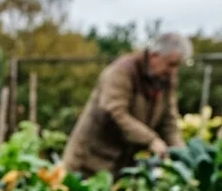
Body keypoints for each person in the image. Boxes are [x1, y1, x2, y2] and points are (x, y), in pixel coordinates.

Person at [62, 32, 192, 177]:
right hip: (90, 160)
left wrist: (181, 153)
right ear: (155, 55)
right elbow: (115, 112)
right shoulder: (121, 72)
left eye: (177, 66)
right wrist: (151, 140)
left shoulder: (166, 80)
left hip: (122, 165)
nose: (173, 71)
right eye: (171, 64)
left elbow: (169, 121)